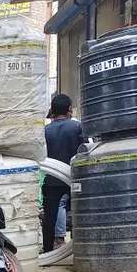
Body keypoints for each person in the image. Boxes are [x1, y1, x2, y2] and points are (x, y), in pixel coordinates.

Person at [42, 93, 84, 252]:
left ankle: (47, 249)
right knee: (80, 210)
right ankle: (80, 246)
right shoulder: (77, 126)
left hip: (52, 179)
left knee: (49, 216)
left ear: (52, 111)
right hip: (75, 177)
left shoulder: (45, 131)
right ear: (69, 110)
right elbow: (84, 149)